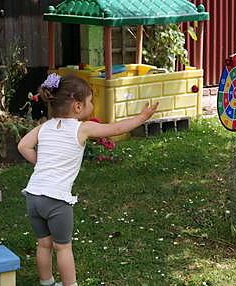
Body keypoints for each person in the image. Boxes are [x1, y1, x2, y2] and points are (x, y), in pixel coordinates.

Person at [18, 73, 158, 286]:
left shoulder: (44, 127)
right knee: (63, 247)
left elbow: (22, 146)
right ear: (77, 106)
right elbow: (116, 129)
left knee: (43, 244)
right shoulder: (82, 128)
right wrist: (141, 118)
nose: (92, 104)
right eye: (90, 101)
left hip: (33, 196)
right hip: (56, 200)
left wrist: (41, 165)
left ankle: (46, 282)